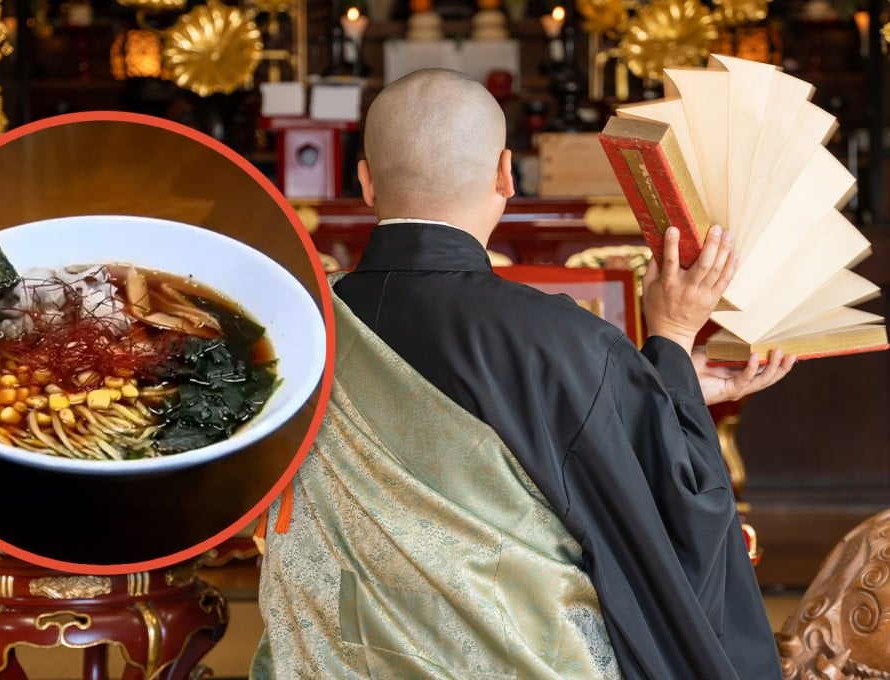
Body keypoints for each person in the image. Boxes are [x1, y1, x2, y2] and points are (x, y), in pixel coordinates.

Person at [252, 68, 795, 679]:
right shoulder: (571, 345)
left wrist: (658, 383)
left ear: (366, 182)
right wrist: (669, 340)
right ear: (507, 174)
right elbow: (679, 519)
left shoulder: (291, 335)